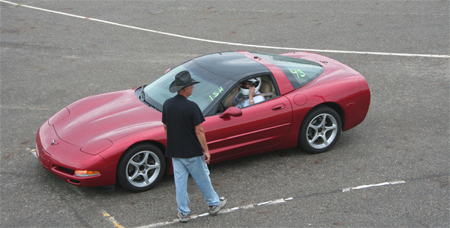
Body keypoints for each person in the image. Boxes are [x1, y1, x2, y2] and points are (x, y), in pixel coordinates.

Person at [162, 70, 227, 223]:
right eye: (191, 86)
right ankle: (214, 203)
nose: (193, 88)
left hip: (175, 151)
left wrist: (172, 141)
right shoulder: (191, 107)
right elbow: (199, 130)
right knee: (202, 179)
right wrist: (206, 150)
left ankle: (183, 212)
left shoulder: (167, 104)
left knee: (180, 183)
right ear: (185, 89)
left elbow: (165, 126)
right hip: (191, 151)